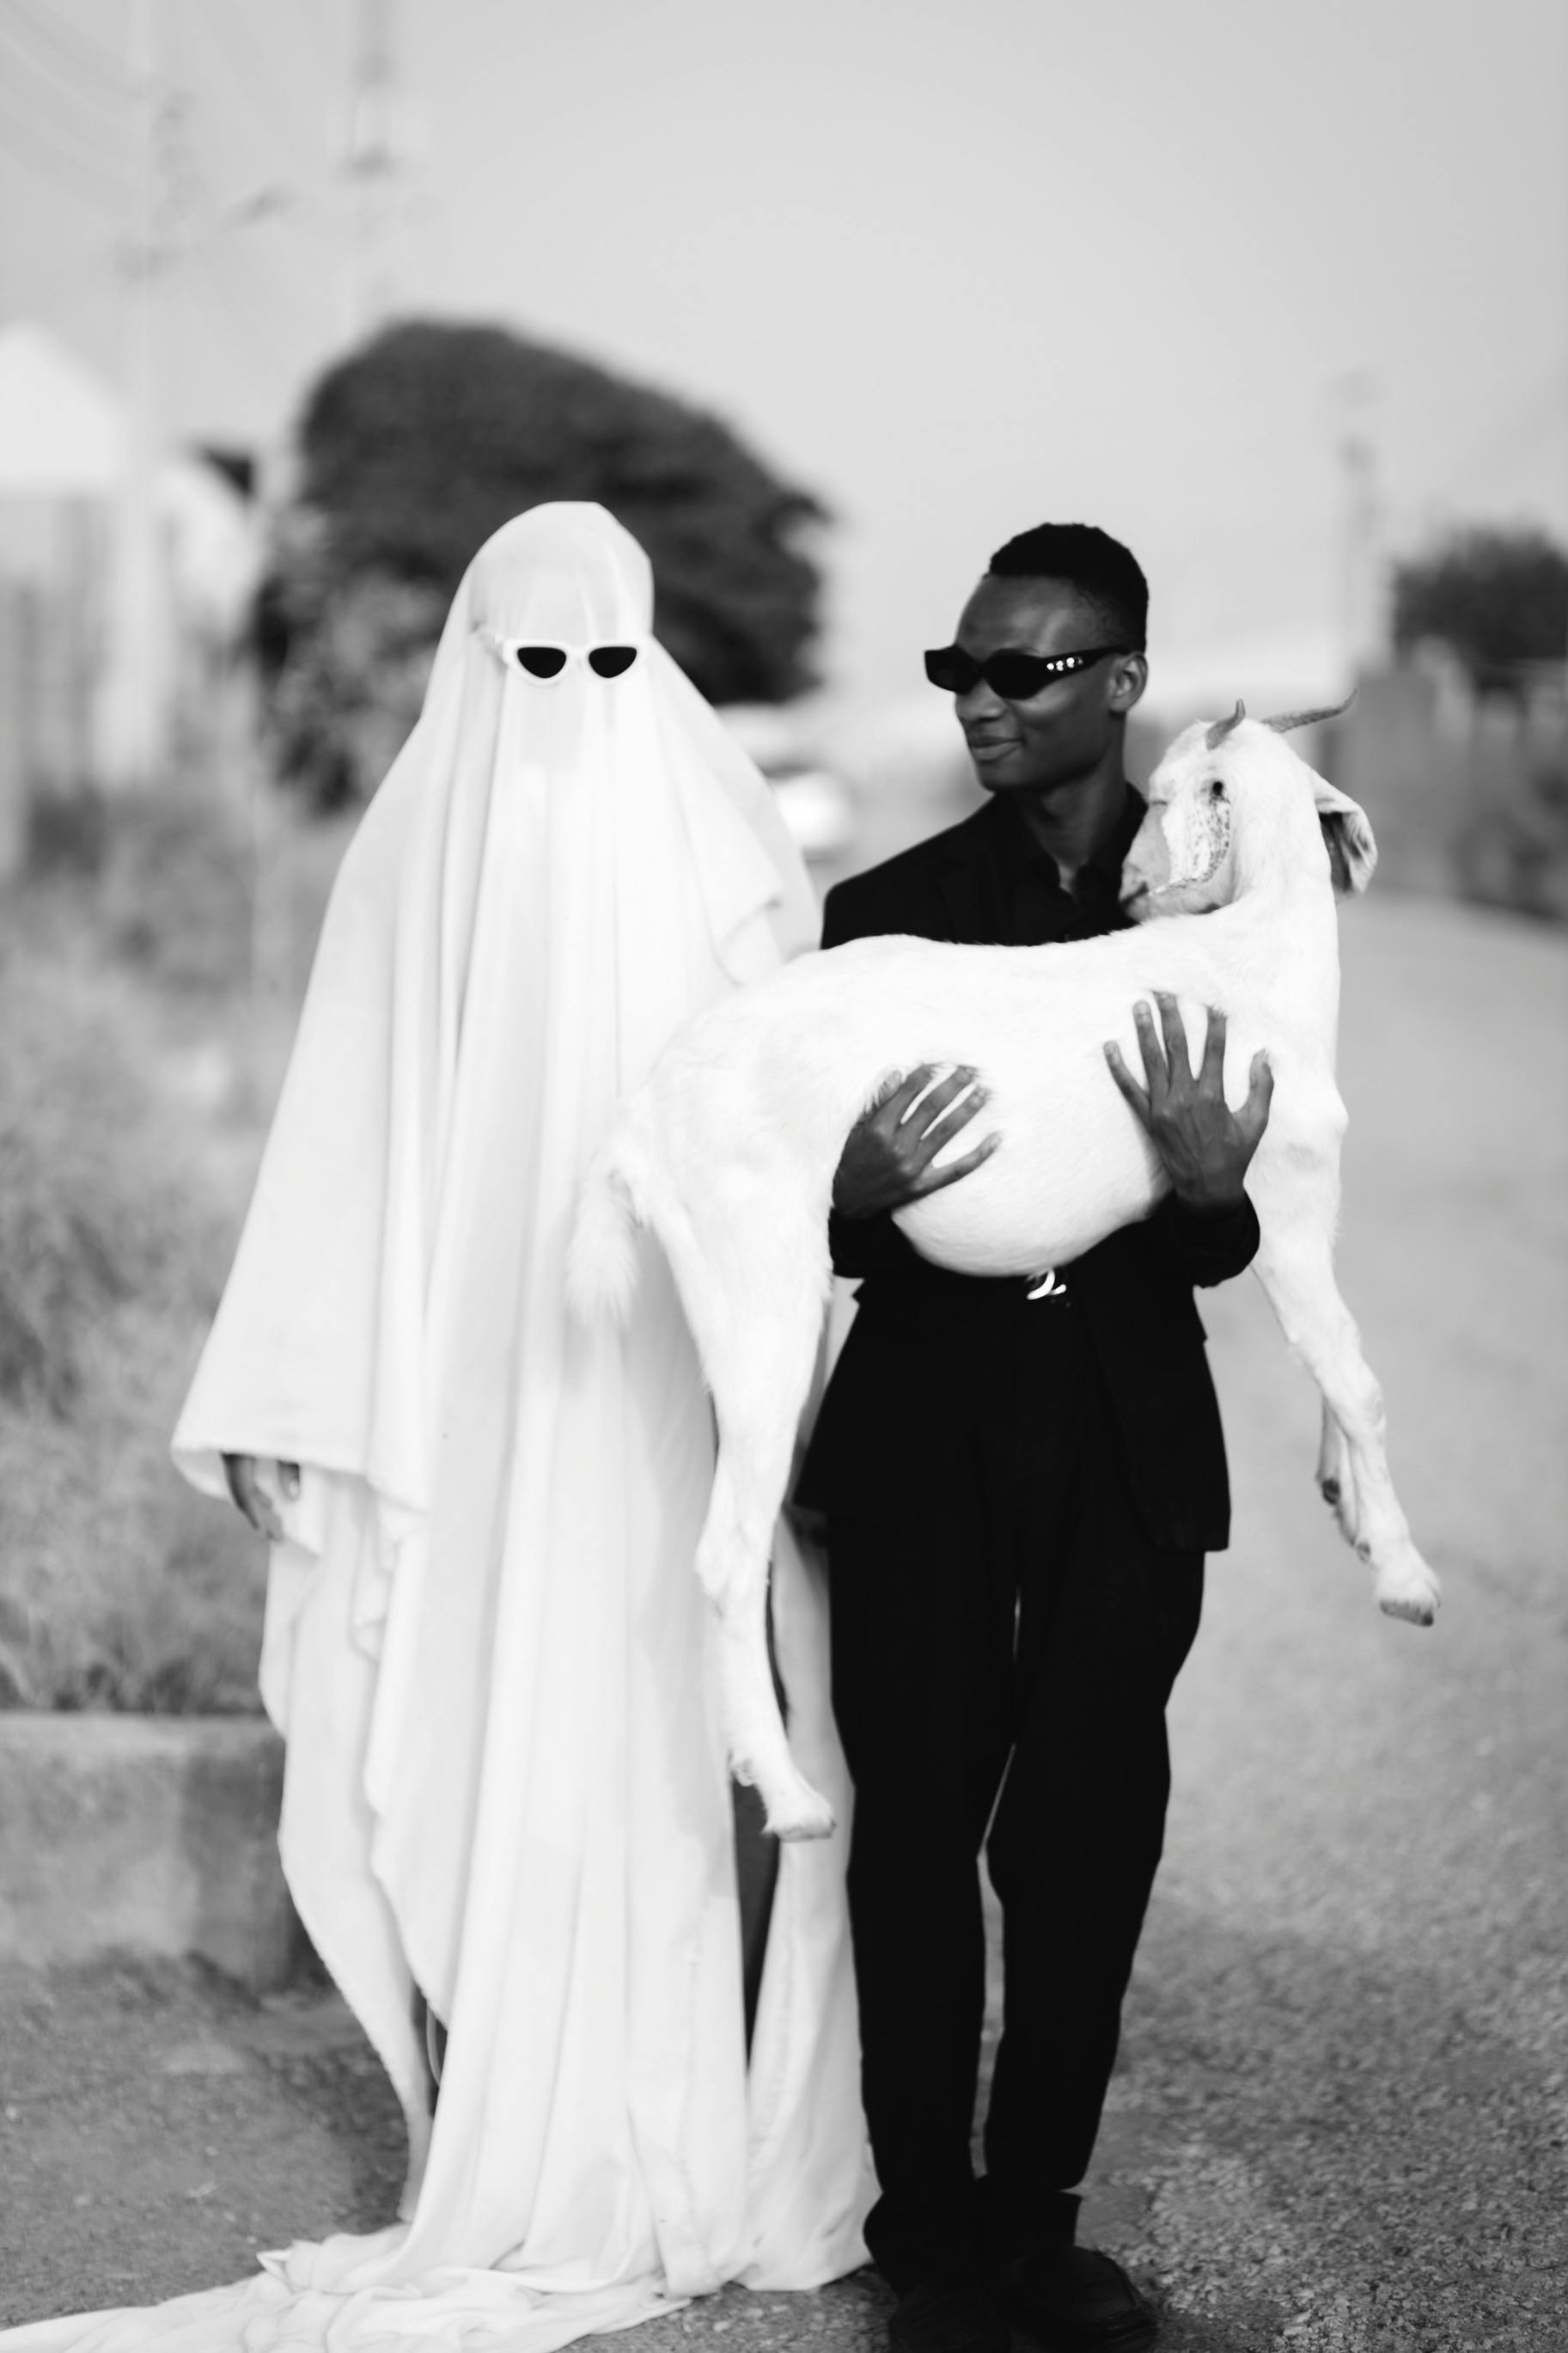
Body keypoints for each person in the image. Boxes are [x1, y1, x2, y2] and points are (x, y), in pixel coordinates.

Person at [3, 504, 871, 2352]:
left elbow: (788, 1133)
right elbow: (339, 1136)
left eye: (604, 662)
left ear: (651, 659)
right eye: (531, 663)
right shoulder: (412, 855)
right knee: (478, 1725)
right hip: (461, 1388)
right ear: (476, 661)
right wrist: (286, 1401)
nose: (566, 700)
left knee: (670, 1724)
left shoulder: (727, 853)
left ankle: (679, 2130)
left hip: (659, 1379)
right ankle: (509, 2129)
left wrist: (793, 1377)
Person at [795, 523, 1273, 2353]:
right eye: (959, 670)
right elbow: (816, 1224)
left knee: (1087, 1839)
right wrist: (848, 1191)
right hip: (922, 1427)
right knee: (913, 1835)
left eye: (1023, 670)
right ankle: (927, 2239)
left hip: (1124, 1435)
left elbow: (1239, 1239)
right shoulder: (882, 916)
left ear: (1123, 682)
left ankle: (1038, 2226)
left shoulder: (1212, 919)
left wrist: (1213, 1194)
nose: (980, 701)